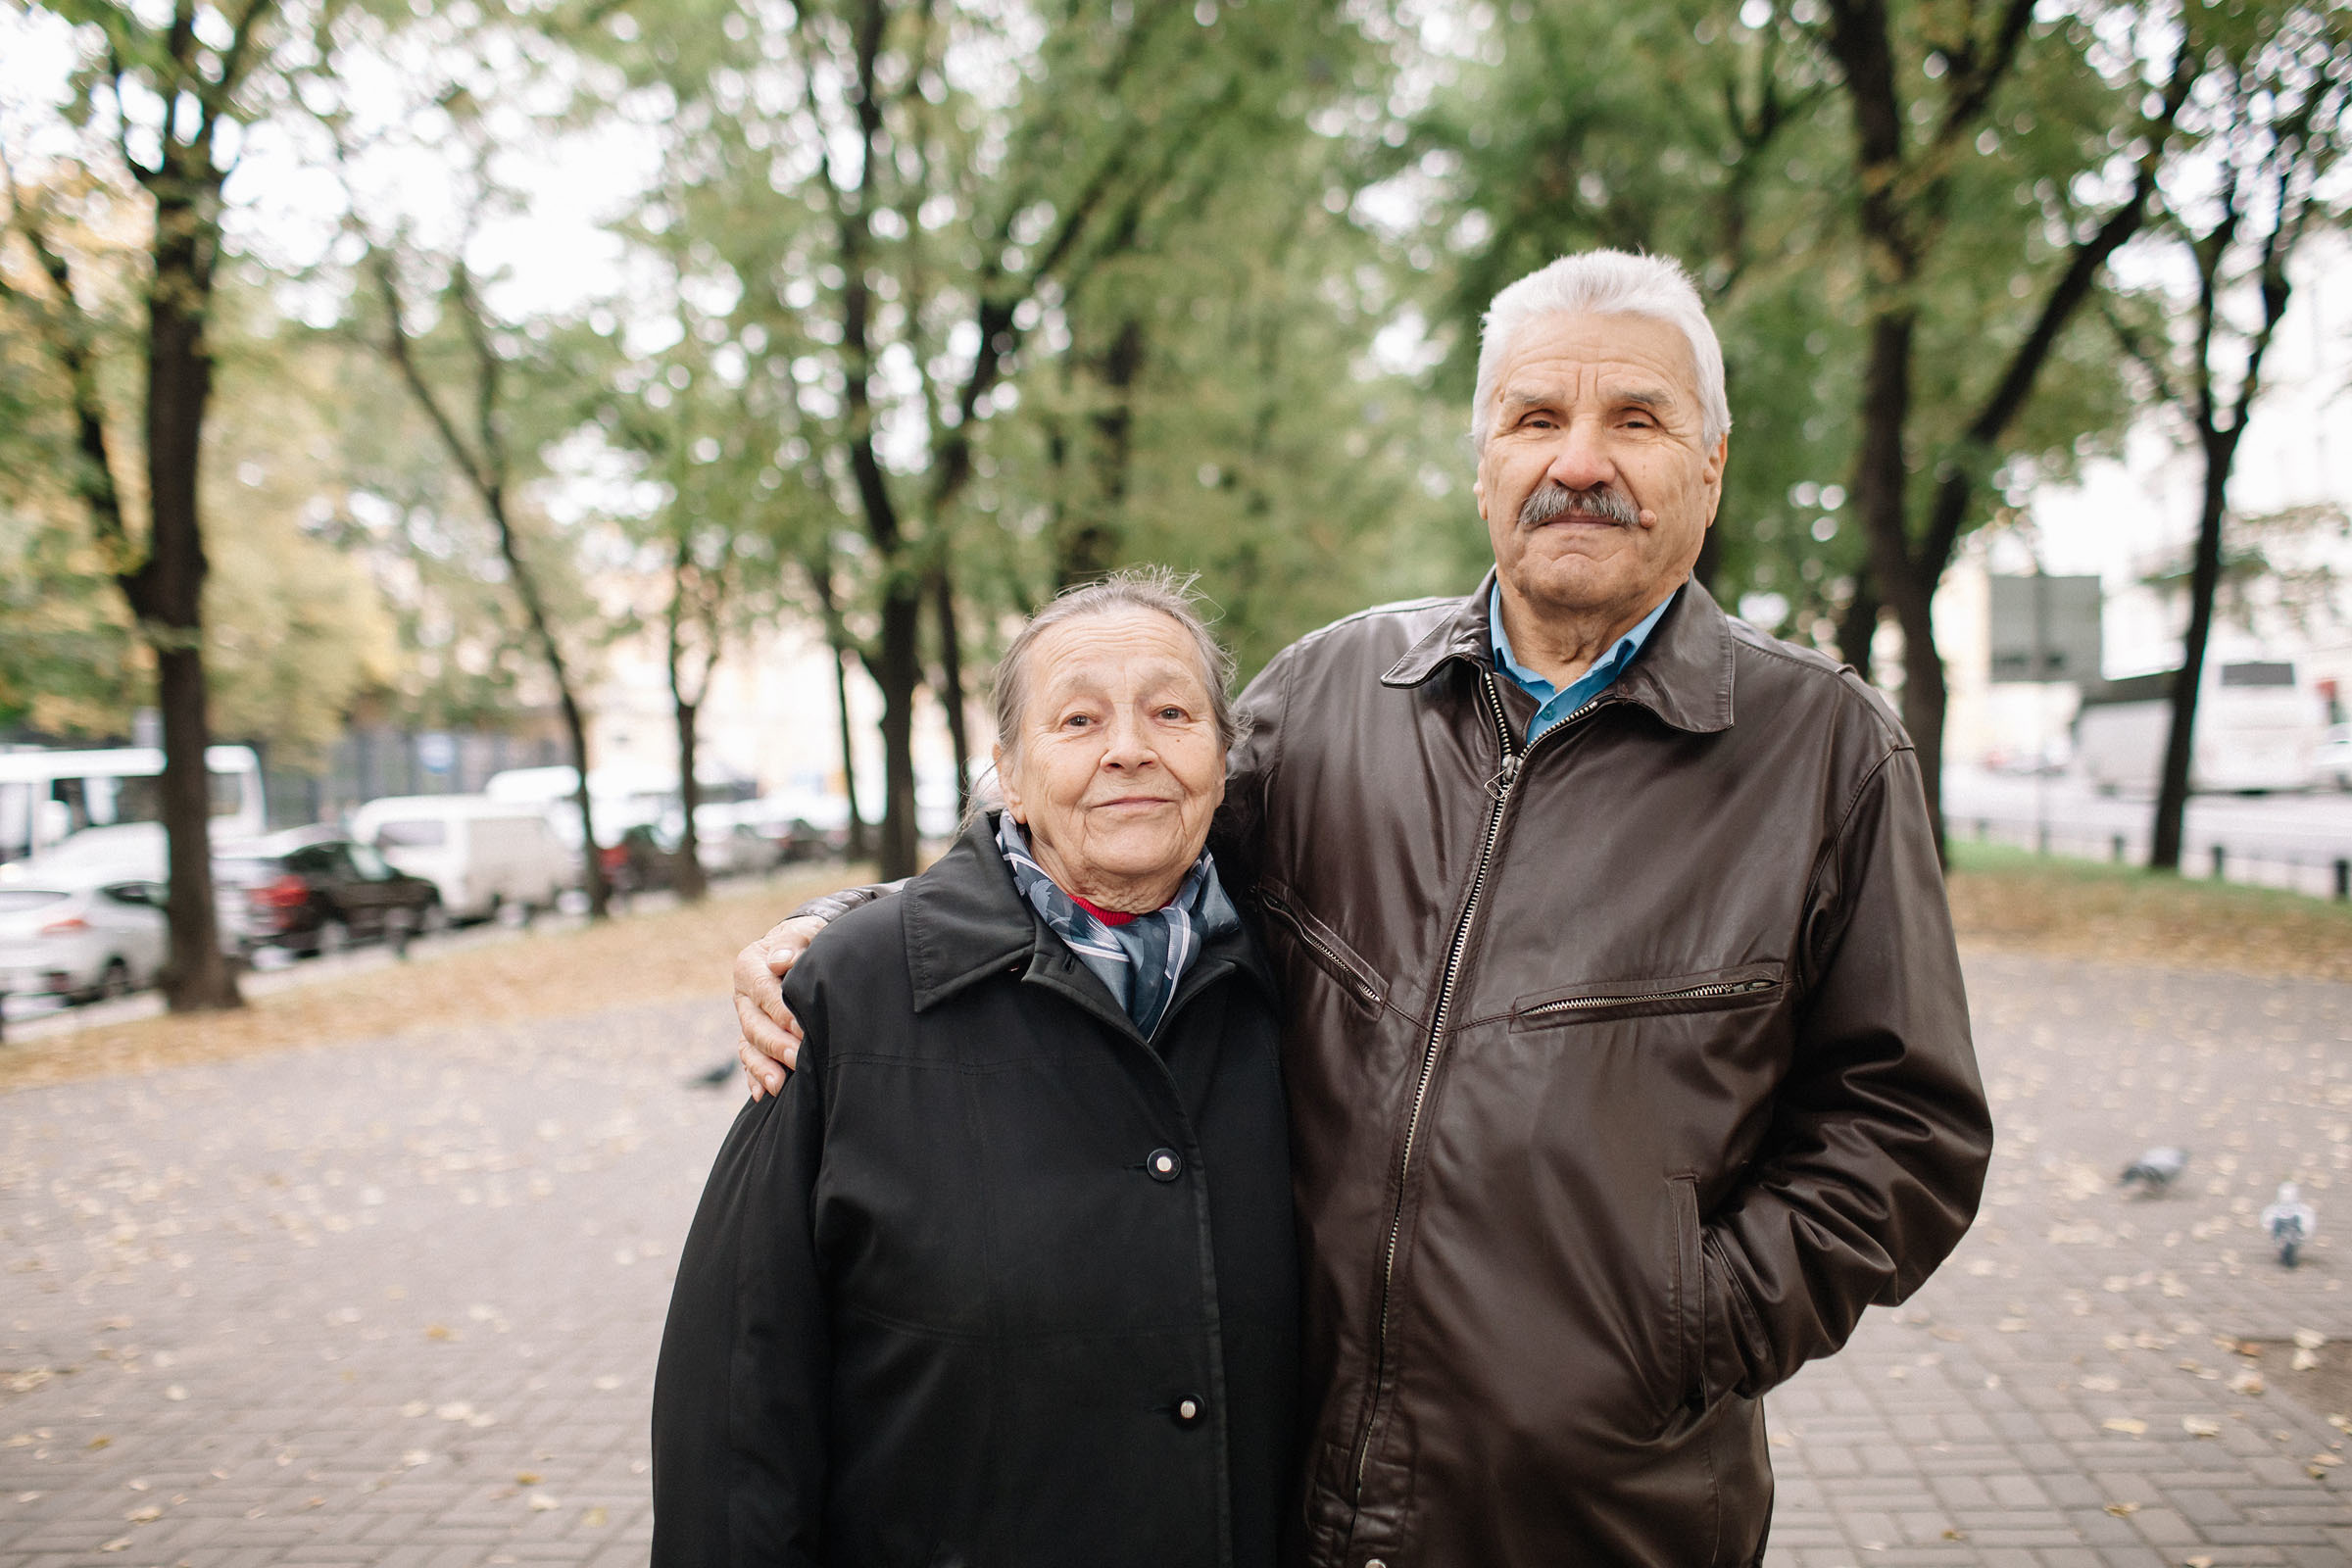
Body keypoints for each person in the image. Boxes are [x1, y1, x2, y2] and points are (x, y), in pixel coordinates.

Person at [734, 250, 1993, 1567]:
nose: (1578, 462)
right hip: (1289, 1491)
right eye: (1535, 418)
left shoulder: (1824, 753)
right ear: (1483, 464)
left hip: (1602, 1513)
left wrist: (1685, 1326)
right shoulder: (1335, 692)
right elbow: (1111, 849)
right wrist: (863, 926)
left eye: (1636, 419)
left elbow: (1907, 1128)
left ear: (1712, 465)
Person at [654, 572, 1299, 1567]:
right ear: (1010, 774)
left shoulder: (1296, 981)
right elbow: (739, 1390)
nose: (1130, 747)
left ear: (1223, 762)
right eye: (1078, 719)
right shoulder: (853, 990)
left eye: (1171, 713)